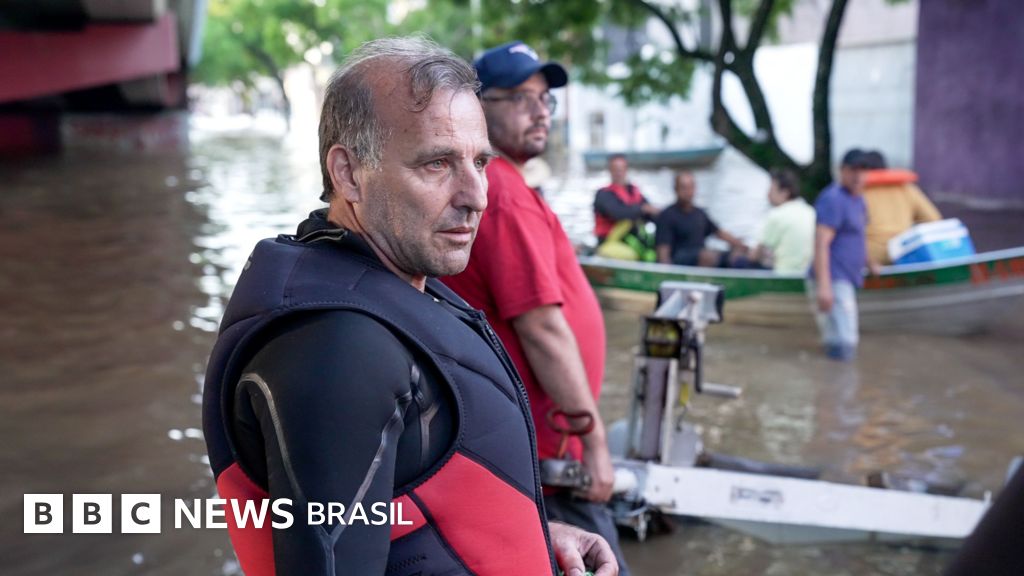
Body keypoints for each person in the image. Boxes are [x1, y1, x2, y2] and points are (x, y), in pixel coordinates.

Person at [202, 37, 617, 576]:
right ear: (349, 173)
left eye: (480, 162)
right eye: (437, 164)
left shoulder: (396, 280)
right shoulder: (336, 349)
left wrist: (536, 538)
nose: (477, 196)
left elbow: (417, 505)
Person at [441, 40, 630, 576]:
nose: (540, 111)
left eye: (545, 99)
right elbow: (542, 328)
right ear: (478, 110)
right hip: (549, 459)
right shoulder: (501, 193)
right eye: (521, 97)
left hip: (532, 447)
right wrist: (594, 443)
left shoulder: (504, 186)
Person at [808, 148, 881, 361]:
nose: (858, 176)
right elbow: (821, 243)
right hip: (834, 279)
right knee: (845, 343)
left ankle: (831, 378)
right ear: (842, 171)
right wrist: (824, 287)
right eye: (853, 170)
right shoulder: (833, 199)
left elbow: (858, 236)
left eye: (863, 171)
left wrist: (870, 262)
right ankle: (838, 381)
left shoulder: (859, 199)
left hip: (847, 279)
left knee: (839, 344)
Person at [860, 149, 942, 264]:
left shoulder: (858, 192)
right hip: (903, 253)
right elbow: (934, 218)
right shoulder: (907, 188)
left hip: (872, 258)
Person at [654, 170, 746, 267]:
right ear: (676, 189)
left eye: (690, 187)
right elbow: (663, 251)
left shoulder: (700, 214)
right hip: (680, 261)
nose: (688, 192)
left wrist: (739, 245)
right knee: (707, 255)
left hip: (701, 254)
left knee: (734, 256)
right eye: (683, 188)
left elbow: (719, 233)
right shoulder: (667, 216)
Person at [593, 153, 658, 261]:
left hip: (633, 240)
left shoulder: (634, 192)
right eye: (615, 169)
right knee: (631, 255)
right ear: (610, 171)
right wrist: (642, 209)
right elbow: (619, 213)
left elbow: (650, 213)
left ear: (626, 170)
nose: (618, 173)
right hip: (610, 243)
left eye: (621, 169)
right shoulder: (603, 195)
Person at [750, 168, 816, 273]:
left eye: (771, 190)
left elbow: (755, 255)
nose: (768, 195)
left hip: (783, 274)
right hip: (808, 274)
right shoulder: (811, 212)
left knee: (740, 261)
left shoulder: (777, 214)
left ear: (785, 193)